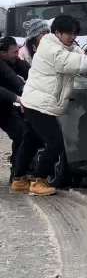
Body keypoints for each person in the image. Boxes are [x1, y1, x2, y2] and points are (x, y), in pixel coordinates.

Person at [11, 14, 87, 197]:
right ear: (57, 33)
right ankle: (39, 181)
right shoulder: (52, 50)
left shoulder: (60, 45)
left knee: (32, 140)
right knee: (55, 143)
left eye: (74, 34)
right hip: (39, 104)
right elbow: (76, 63)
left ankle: (19, 179)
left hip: (34, 101)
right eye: (68, 34)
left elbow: (80, 54)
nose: (72, 37)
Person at [0, 36, 28, 179]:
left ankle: (17, 174)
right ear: (2, 53)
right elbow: (11, 78)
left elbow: (31, 74)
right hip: (6, 101)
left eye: (18, 51)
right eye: (14, 52)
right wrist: (18, 97)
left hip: (4, 108)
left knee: (22, 133)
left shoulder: (16, 61)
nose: (17, 55)